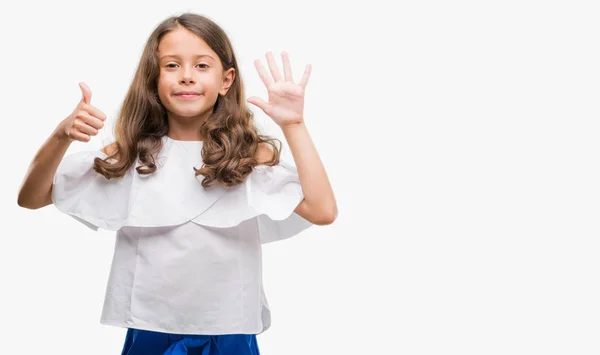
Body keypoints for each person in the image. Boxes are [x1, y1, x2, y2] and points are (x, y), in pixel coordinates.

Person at [17, 12, 337, 355]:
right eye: (171, 65)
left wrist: (295, 125)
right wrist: (60, 135)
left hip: (230, 330)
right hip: (149, 330)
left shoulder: (248, 157)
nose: (186, 76)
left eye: (201, 65)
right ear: (154, 77)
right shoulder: (132, 155)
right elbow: (33, 197)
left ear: (226, 79)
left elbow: (322, 210)